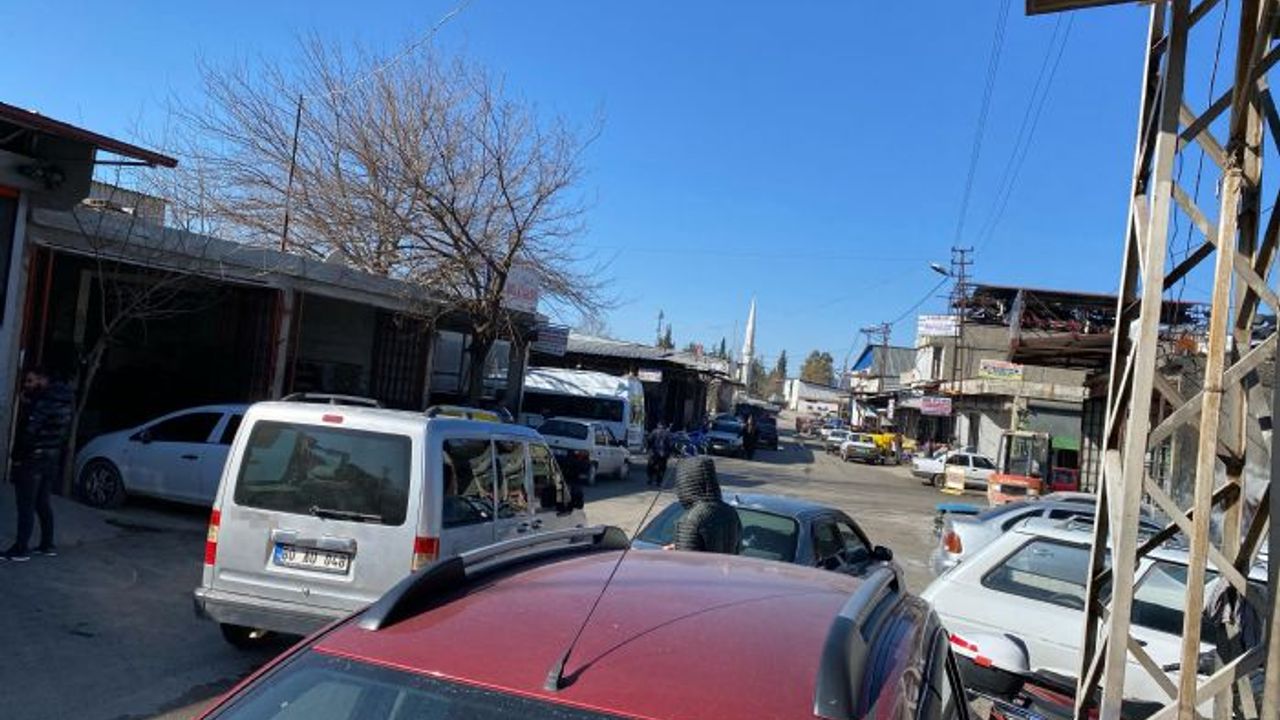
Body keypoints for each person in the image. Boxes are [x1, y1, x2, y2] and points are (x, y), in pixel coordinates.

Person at [5, 368, 74, 562]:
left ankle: (20, 549)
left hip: (33, 458)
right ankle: (47, 544)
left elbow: (29, 431)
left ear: (43, 380)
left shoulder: (43, 402)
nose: (27, 385)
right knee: (42, 502)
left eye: (31, 381)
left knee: (26, 504)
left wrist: (17, 457)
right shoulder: (64, 400)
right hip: (51, 457)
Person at [671, 456, 741, 555]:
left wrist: (670, 556)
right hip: (724, 565)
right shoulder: (731, 512)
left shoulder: (691, 519)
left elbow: (685, 561)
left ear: (685, 483)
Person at [645, 422, 673, 486]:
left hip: (654, 453)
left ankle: (650, 479)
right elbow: (670, 444)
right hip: (663, 454)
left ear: (658, 425)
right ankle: (659, 481)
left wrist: (648, 449)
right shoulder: (667, 434)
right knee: (662, 468)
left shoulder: (654, 432)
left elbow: (649, 440)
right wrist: (669, 453)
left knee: (650, 466)